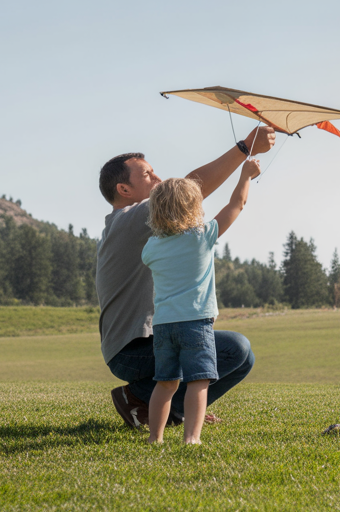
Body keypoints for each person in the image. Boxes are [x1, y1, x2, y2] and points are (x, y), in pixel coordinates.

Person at [97, 127, 274, 430]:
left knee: (241, 357)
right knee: (236, 349)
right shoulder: (131, 219)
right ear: (124, 190)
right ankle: (137, 398)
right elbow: (191, 190)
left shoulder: (134, 226)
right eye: (148, 175)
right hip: (134, 350)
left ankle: (174, 410)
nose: (160, 179)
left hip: (140, 344)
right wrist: (246, 146)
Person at [140, 162, 261, 444]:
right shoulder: (201, 237)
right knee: (198, 381)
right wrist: (245, 174)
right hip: (195, 324)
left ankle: (154, 438)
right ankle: (191, 438)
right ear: (193, 207)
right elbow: (237, 204)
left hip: (163, 326)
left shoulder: (151, 248)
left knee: (166, 383)